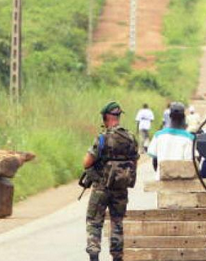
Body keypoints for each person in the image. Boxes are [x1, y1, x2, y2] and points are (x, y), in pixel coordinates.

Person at [83, 101, 139, 261]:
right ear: (118, 116)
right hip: (120, 188)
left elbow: (86, 162)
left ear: (106, 117)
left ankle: (94, 254)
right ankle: (117, 257)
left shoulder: (102, 138)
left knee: (94, 221)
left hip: (101, 187)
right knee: (117, 222)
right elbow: (134, 162)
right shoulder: (130, 138)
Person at [147, 102, 194, 180]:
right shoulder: (189, 138)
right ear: (184, 118)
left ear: (169, 116)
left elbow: (154, 160)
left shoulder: (158, 135)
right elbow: (189, 163)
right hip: (181, 183)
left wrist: (161, 173)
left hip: (162, 179)